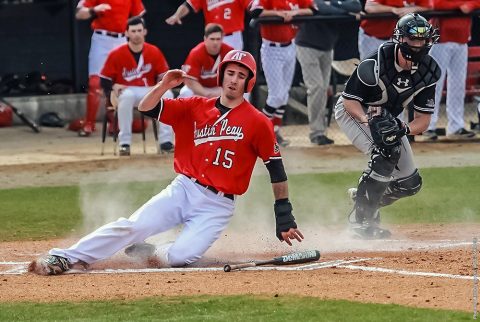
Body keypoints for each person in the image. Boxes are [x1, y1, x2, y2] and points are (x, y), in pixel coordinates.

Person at [28, 50, 304, 276]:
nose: (234, 80)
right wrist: (163, 86)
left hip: (218, 205)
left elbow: (275, 168)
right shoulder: (195, 106)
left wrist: (284, 213)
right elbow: (146, 108)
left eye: (241, 76)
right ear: (222, 76)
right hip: (183, 188)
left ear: (248, 83)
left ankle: (154, 252)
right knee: (132, 226)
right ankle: (65, 257)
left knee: (180, 257)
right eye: (230, 73)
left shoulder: (258, 122)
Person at [334, 13, 441, 239]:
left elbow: (423, 121)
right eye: (413, 40)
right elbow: (349, 100)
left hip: (388, 119)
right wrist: (368, 122)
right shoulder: (375, 63)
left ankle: (363, 198)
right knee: (385, 153)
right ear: (400, 39)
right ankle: (360, 222)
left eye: (422, 40)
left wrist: (403, 130)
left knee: (410, 183)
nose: (418, 45)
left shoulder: (429, 71)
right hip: (355, 111)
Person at [100, 17, 175, 156]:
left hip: (149, 89)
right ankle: (125, 143)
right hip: (127, 90)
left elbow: (163, 76)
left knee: (168, 95)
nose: (136, 34)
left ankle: (166, 142)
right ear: (127, 33)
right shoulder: (116, 53)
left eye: (139, 30)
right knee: (127, 96)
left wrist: (162, 84)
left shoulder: (154, 51)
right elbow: (104, 79)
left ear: (145, 31)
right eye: (133, 31)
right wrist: (112, 88)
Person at [75, 0, 145, 137]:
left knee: (121, 83)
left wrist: (136, 36)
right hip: (102, 39)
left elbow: (138, 17)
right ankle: (89, 123)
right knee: (95, 83)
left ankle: (116, 122)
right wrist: (94, 10)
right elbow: (79, 14)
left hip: (122, 39)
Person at [295, 0, 361, 146]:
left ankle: (320, 132)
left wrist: (333, 5)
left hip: (327, 46)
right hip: (307, 44)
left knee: (323, 89)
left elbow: (356, 6)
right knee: (316, 88)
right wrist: (344, 11)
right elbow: (320, 7)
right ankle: (316, 132)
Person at [250, 0, 315, 147]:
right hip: (271, 48)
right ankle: (257, 132)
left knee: (284, 95)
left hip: (290, 46)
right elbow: (255, 12)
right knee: (276, 96)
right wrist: (277, 13)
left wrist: (294, 12)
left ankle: (275, 132)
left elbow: (313, 10)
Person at [422, 0, 480, 141]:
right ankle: (428, 126)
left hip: (461, 40)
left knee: (458, 85)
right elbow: (434, 4)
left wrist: (469, 5)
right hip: (440, 41)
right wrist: (460, 5)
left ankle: (456, 126)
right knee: (434, 84)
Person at [165, 0, 252, 50]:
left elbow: (252, 5)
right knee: (213, 69)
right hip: (211, 37)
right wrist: (177, 15)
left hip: (231, 37)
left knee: (230, 69)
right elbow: (188, 5)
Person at [178, 23, 233, 99]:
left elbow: (234, 78)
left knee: (242, 93)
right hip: (200, 88)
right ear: (205, 39)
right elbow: (190, 81)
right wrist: (206, 93)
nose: (215, 42)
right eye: (212, 39)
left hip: (220, 88)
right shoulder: (196, 53)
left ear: (222, 39)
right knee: (185, 92)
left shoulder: (230, 52)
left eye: (218, 39)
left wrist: (220, 91)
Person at [359, 0, 428, 60]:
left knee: (392, 69)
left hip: (395, 37)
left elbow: (430, 6)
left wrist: (414, 9)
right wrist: (393, 9)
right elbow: (369, 7)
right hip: (372, 36)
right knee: (371, 67)